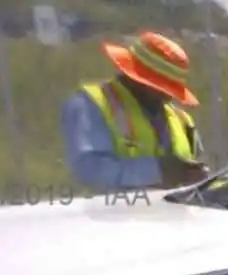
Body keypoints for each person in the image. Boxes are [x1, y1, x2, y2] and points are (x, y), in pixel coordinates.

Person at [63, 31, 209, 193]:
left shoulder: (182, 121)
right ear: (133, 77)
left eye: (171, 90)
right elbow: (88, 170)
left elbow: (198, 170)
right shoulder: (92, 104)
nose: (167, 96)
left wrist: (201, 178)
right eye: (160, 87)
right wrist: (157, 171)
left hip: (175, 217)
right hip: (110, 216)